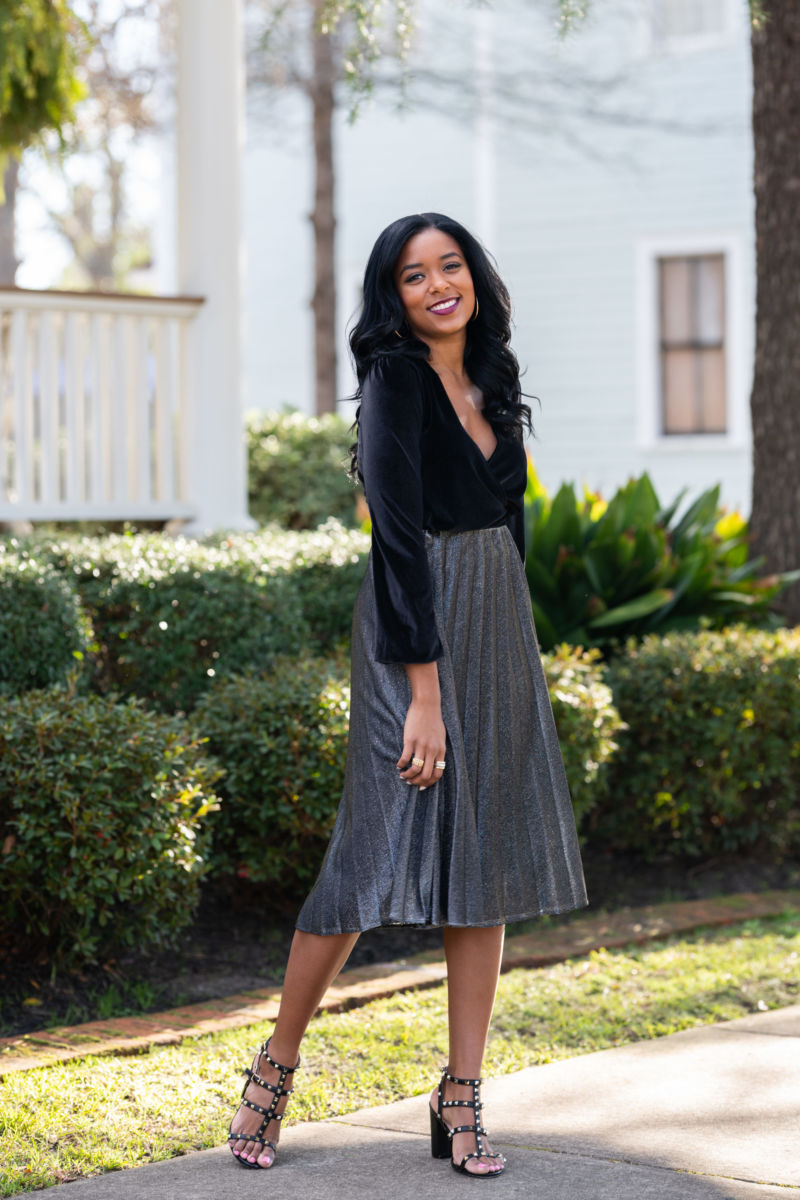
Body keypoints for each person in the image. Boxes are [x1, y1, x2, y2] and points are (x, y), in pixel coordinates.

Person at [227, 212, 588, 1178]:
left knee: (487, 860)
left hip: (494, 625)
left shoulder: (496, 381)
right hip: (410, 629)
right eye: (415, 274)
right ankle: (275, 1066)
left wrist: (510, 647)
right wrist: (422, 691)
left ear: (475, 279)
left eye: (451, 266)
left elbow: (508, 529)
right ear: (393, 295)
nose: (437, 285)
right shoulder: (395, 379)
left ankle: (462, 1095)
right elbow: (395, 536)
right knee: (371, 845)